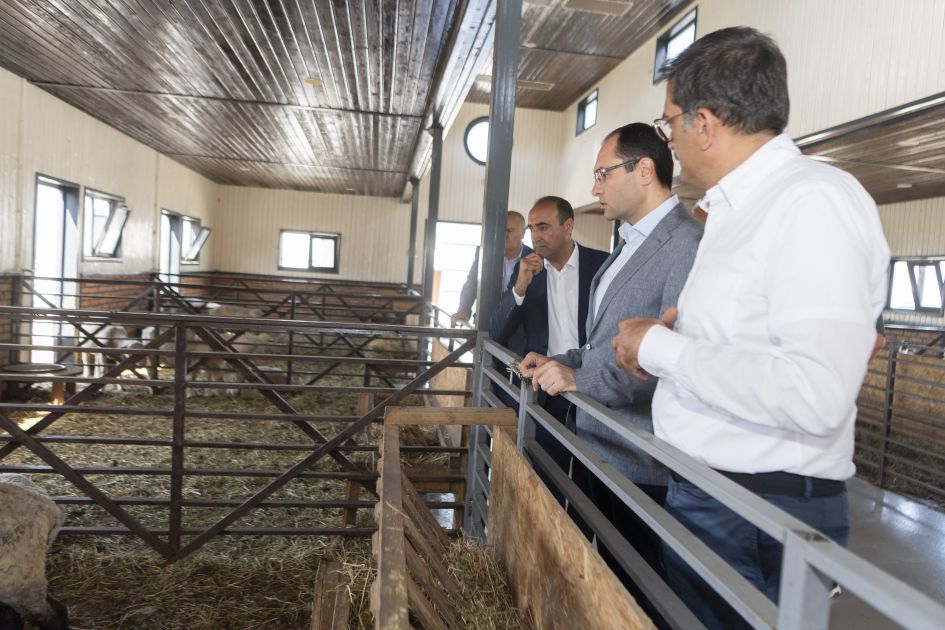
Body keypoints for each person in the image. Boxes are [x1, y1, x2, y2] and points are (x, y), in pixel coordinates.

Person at [610, 27, 890, 628]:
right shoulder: (735, 211)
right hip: (717, 492)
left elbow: (814, 393)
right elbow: (754, 342)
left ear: (705, 123)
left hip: (760, 505)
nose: (670, 140)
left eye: (669, 123)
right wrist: (676, 338)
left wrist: (662, 350)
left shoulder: (812, 203)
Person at [519, 124, 702, 610]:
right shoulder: (627, 243)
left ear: (644, 170)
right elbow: (601, 343)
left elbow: (671, 356)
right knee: (598, 578)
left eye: (603, 173)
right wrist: (562, 361)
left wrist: (579, 379)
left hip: (640, 459)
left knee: (635, 592)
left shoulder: (686, 244)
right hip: (599, 442)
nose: (595, 187)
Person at [490, 196, 608, 464]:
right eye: (531, 229)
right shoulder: (526, 272)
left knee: (592, 471)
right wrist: (519, 287)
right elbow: (497, 332)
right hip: (545, 390)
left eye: (543, 227)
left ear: (568, 227)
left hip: (589, 385)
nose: (535, 236)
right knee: (547, 469)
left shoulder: (602, 265)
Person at [453, 211, 530, 322]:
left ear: (523, 233)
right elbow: (472, 283)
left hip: (520, 325)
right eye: (501, 230)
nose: (505, 235)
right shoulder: (484, 253)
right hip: (487, 322)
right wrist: (464, 309)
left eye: (509, 230)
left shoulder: (533, 258)